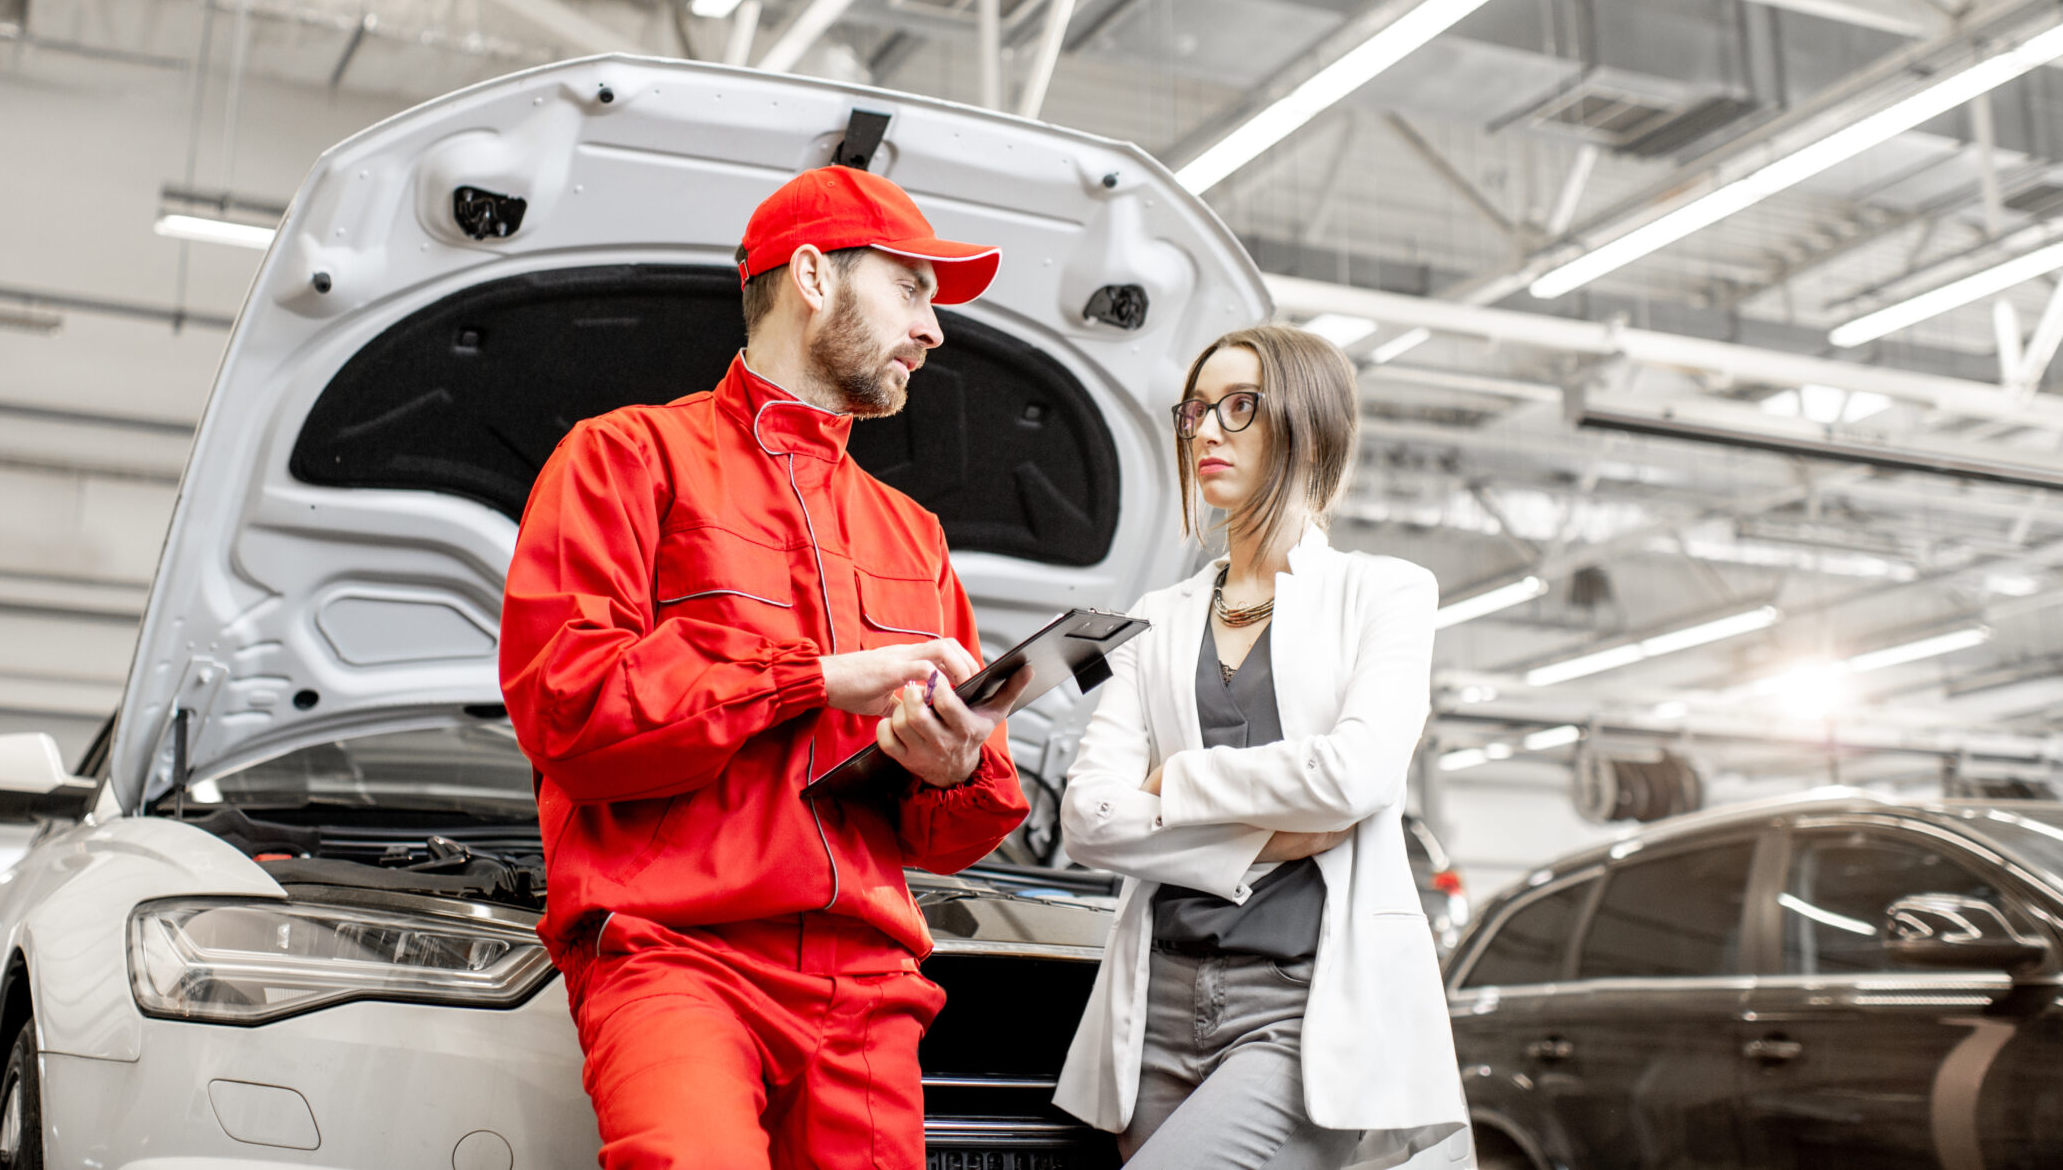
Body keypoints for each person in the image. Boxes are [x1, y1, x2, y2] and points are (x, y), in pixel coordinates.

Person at [500, 162, 1032, 1170]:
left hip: (871, 989)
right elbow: (573, 710)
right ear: (814, 276)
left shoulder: (910, 531)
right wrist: (812, 677)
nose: (934, 330)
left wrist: (955, 760)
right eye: (912, 288)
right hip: (678, 957)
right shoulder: (622, 459)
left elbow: (953, 830)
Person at [1053, 324, 1467, 1170]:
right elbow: (1088, 817)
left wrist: (1180, 781)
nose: (1206, 430)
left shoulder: (1385, 593)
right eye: (1197, 409)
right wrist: (1269, 832)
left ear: (1308, 425)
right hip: (1157, 1006)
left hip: (1302, 1009)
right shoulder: (1156, 616)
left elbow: (1355, 772)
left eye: (1240, 407)